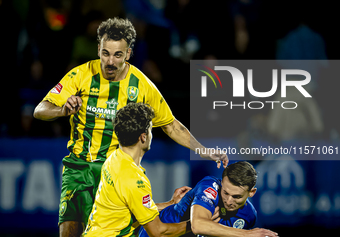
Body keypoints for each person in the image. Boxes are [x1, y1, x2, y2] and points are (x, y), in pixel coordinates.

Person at [33, 17, 228, 237]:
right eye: (105, 53)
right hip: (78, 168)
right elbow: (40, 110)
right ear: (98, 49)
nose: (110, 61)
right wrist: (62, 110)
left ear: (128, 54)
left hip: (113, 172)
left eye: (117, 55)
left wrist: (204, 150)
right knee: (70, 232)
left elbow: (170, 124)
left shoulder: (141, 85)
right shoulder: (81, 75)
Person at [83, 102, 192, 236]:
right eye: (151, 130)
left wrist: (171, 203)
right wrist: (194, 224)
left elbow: (132, 206)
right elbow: (158, 232)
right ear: (143, 137)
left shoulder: (115, 158)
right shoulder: (133, 179)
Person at [139, 161, 278, 237]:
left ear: (251, 192)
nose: (229, 201)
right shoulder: (209, 186)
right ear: (221, 183)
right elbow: (198, 225)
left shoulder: (249, 216)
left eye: (237, 197)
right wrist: (246, 234)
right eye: (226, 193)